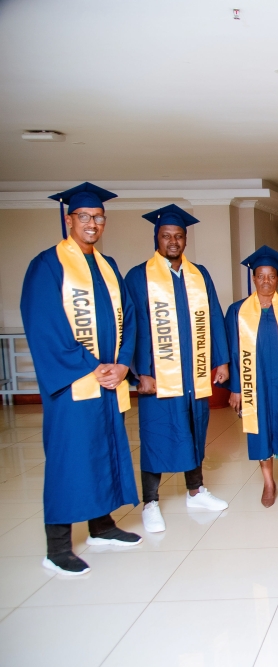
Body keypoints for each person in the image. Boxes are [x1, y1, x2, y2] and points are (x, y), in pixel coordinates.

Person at [20, 183, 142, 574]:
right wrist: (92, 366)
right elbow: (45, 326)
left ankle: (101, 527)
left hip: (109, 382)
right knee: (68, 459)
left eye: (99, 217)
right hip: (74, 384)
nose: (93, 224)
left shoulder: (108, 267)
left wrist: (122, 365)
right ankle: (57, 548)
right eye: (85, 217)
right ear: (69, 219)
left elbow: (131, 317)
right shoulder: (48, 265)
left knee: (104, 450)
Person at [124, 205, 230, 533]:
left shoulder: (199, 274)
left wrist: (221, 360)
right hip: (158, 374)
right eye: (167, 236)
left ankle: (196, 491)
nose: (173, 241)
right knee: (156, 435)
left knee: (195, 430)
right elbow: (132, 326)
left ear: (185, 239)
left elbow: (213, 315)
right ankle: (151, 502)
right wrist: (141, 371)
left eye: (179, 236)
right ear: (156, 238)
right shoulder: (138, 276)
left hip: (195, 373)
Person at [225, 246, 278, 506]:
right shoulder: (237, 311)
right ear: (253, 278)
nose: (266, 281)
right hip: (255, 383)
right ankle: (268, 483)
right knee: (259, 428)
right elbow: (231, 350)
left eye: (271, 276)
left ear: (277, 278)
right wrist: (236, 388)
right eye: (260, 276)